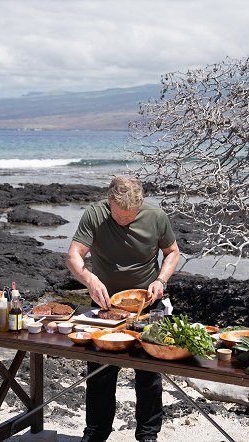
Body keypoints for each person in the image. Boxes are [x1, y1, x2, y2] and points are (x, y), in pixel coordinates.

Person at [66, 176, 181, 442]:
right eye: (119, 215)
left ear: (140, 205)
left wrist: (161, 280)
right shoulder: (95, 214)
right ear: (109, 202)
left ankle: (147, 435)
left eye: (130, 216)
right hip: (105, 304)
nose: (124, 220)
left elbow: (173, 252)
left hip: (150, 304)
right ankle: (96, 432)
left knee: (149, 372)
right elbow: (74, 255)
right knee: (99, 372)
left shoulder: (156, 216)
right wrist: (91, 280)